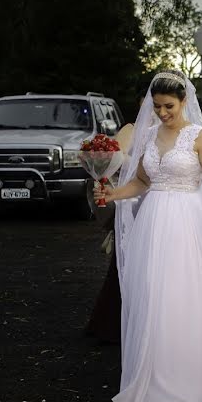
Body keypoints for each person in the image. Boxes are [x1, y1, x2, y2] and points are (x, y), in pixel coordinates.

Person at [94, 70, 202, 402]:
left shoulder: (199, 137)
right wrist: (113, 194)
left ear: (184, 102)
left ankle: (196, 379)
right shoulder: (149, 136)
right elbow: (140, 181)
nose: (163, 113)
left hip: (190, 224)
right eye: (157, 106)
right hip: (154, 224)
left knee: (190, 296)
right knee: (155, 295)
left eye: (169, 106)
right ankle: (155, 380)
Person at [84, 122, 134, 344]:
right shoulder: (132, 130)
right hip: (132, 199)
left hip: (162, 201)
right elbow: (115, 160)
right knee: (125, 264)